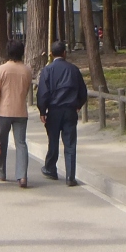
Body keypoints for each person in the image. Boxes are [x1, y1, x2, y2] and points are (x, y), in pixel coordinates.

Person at [36, 40, 87, 186]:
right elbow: (83, 91)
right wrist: (78, 104)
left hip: (54, 110)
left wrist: (42, 110)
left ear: (51, 54)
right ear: (65, 53)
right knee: (70, 143)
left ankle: (51, 168)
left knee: (53, 140)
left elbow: (43, 93)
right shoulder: (74, 70)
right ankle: (70, 176)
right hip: (70, 109)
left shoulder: (47, 70)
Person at [0, 39, 33, 187]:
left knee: (2, 142)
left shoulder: (2, 69)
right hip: (21, 111)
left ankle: (1, 171)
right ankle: (22, 175)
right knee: (21, 143)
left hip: (4, 111)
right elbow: (26, 90)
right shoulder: (27, 70)